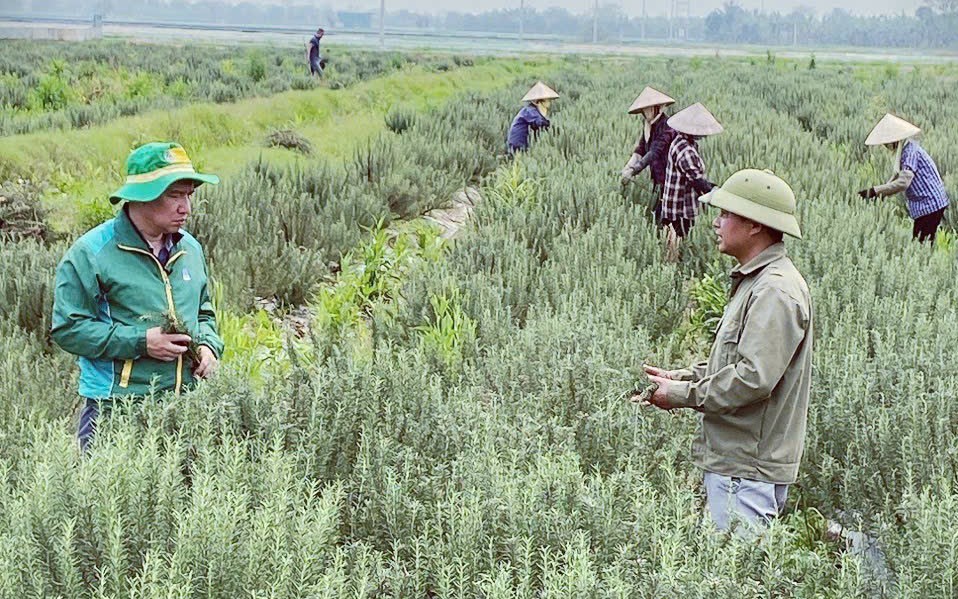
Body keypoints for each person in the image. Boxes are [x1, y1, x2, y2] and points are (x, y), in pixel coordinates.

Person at [639, 169, 812, 534]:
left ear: (754, 226)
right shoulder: (758, 282)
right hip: (739, 463)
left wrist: (683, 395)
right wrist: (683, 377)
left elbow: (752, 379)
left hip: (746, 469)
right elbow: (738, 363)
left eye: (726, 214)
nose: (716, 222)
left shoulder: (774, 291)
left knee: (734, 574)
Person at [51, 142, 224, 451]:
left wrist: (210, 346)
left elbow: (203, 312)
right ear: (141, 196)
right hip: (116, 408)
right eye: (174, 195)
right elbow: (68, 330)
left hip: (184, 405)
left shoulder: (190, 249)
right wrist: (142, 342)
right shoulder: (92, 253)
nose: (186, 207)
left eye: (189, 195)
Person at [858, 113, 950, 243]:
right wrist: (879, 194)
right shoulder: (906, 149)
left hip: (930, 204)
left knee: (920, 246)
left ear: (895, 139)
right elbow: (896, 178)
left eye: (887, 142)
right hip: (926, 204)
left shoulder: (910, 152)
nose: (885, 146)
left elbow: (903, 182)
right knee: (921, 244)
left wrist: (874, 191)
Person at [659, 102, 722, 260]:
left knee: (675, 245)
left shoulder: (680, 141)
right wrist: (716, 192)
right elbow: (697, 181)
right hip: (680, 209)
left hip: (673, 206)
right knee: (681, 245)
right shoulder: (685, 150)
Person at [620, 86, 677, 200]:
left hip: (671, 178)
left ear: (658, 108)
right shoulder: (648, 126)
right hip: (657, 177)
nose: (647, 112)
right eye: (645, 109)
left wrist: (634, 170)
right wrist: (628, 167)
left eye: (650, 109)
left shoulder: (667, 126)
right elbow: (641, 148)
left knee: (665, 211)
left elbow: (654, 151)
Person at [506, 81, 558, 154]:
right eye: (547, 100)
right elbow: (541, 124)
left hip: (522, 144)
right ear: (538, 102)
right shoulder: (530, 111)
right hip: (518, 146)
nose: (549, 102)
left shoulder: (532, 110)